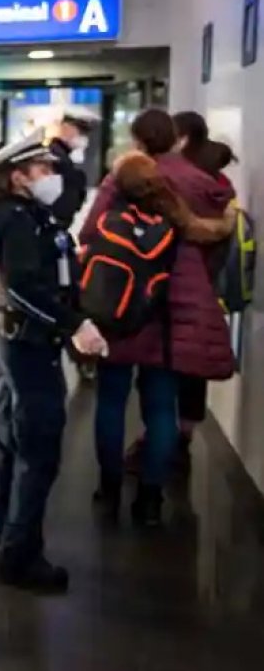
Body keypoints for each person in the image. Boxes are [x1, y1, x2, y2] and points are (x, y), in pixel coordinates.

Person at [80, 110, 236, 526]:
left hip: (121, 306)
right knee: (162, 407)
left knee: (111, 401)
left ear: (138, 140)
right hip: (172, 313)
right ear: (175, 140)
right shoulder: (204, 185)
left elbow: (91, 234)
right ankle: (150, 500)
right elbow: (217, 247)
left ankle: (109, 490)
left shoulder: (125, 176)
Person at [0, 131, 108, 594]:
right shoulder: (15, 220)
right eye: (43, 169)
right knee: (38, 450)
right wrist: (74, 324)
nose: (51, 176)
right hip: (27, 343)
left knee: (14, 443)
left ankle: (6, 538)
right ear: (19, 177)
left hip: (17, 341)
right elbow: (22, 287)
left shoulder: (16, 215)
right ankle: (20, 555)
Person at [121, 112, 240, 475]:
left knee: (156, 382)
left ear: (183, 138)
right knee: (192, 368)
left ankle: (148, 464)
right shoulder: (217, 185)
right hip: (203, 291)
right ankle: (180, 443)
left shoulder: (155, 179)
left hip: (156, 291)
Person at [46, 107, 99, 227]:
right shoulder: (54, 157)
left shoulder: (64, 157)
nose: (84, 137)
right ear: (65, 127)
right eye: (80, 131)